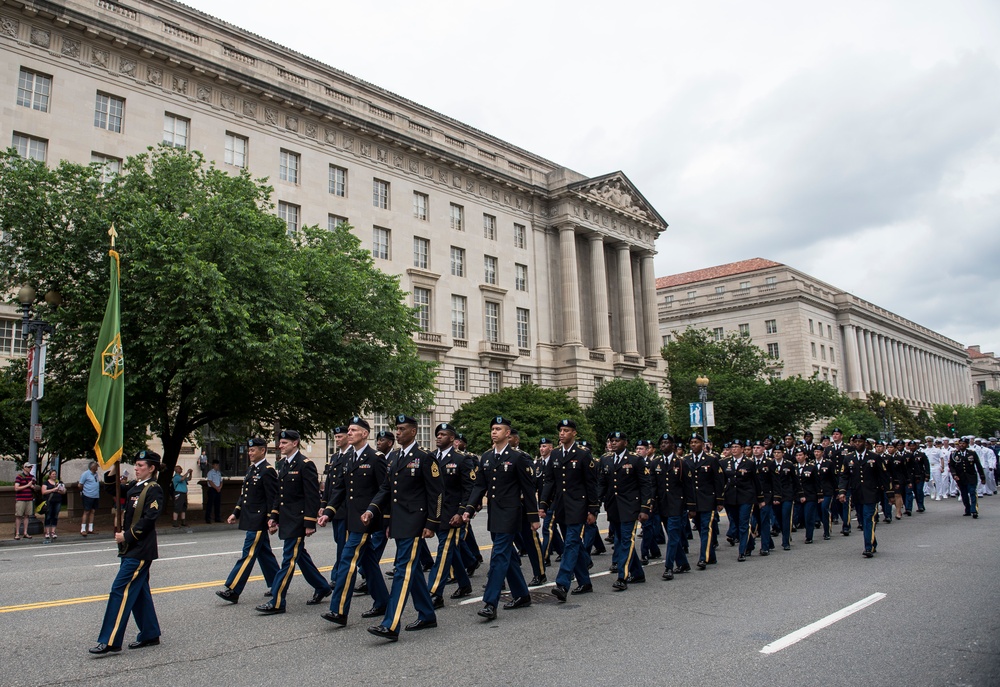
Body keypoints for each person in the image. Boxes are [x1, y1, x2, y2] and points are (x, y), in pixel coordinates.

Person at [364, 414, 444, 641]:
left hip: (416, 523)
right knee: (413, 570)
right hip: (400, 523)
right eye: (396, 429)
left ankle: (390, 624)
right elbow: (387, 490)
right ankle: (427, 614)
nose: (397, 433)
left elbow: (437, 494)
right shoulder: (395, 457)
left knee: (402, 570)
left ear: (413, 432)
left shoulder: (425, 458)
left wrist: (432, 523)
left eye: (401, 429)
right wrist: (374, 511)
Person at [317, 416, 390, 626]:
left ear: (364, 434)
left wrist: (383, 519)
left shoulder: (376, 458)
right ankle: (383, 601)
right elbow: (340, 489)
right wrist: (328, 512)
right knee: (368, 562)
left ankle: (338, 610)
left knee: (347, 562)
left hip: (366, 520)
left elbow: (385, 490)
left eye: (352, 430)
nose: (348, 433)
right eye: (348, 430)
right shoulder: (348, 458)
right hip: (350, 519)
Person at [89, 450, 164, 654]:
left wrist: (127, 537)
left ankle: (111, 640)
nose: (136, 469)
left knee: (119, 590)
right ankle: (150, 633)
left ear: (151, 468)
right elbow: (113, 490)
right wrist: (114, 466)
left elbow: (149, 519)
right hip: (130, 549)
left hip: (139, 549)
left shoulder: (154, 489)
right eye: (136, 465)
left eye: (140, 465)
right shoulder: (135, 486)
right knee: (139, 592)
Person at [467, 416, 540, 620]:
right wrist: (469, 508)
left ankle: (490, 602)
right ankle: (522, 594)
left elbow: (528, 487)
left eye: (498, 429)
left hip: (510, 513)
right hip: (494, 514)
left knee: (499, 555)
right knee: (508, 556)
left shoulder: (518, 457)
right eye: (492, 428)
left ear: (508, 433)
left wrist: (533, 517)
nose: (494, 432)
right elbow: (480, 485)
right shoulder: (487, 457)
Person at [255, 429, 331, 614]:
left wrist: (309, 523)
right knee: (300, 556)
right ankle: (322, 586)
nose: (280, 446)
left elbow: (312, 496)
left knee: (288, 559)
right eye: (280, 443)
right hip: (287, 519)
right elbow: (279, 495)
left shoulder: (305, 464)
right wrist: (273, 517)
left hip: (298, 520)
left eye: (284, 443)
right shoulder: (284, 464)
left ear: (295, 443)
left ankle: (277, 600)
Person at [539, 418, 599, 602]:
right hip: (561, 506)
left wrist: (593, 510)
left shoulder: (583, 454)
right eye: (561, 430)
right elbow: (550, 480)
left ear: (574, 433)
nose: (562, 433)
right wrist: (543, 504)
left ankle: (562, 583)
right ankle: (585, 581)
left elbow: (591, 484)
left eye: (566, 430)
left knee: (571, 543)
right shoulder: (555, 454)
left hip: (578, 506)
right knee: (574, 545)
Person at [216, 438, 280, 604]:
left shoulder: (267, 470)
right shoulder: (252, 469)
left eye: (253, 450)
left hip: (259, 520)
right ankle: (277, 584)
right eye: (249, 450)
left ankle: (233, 589)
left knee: (249, 554)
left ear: (263, 451)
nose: (249, 453)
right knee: (264, 554)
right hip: (250, 517)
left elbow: (273, 498)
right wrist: (235, 513)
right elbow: (245, 495)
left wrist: (271, 518)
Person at [427, 422, 475, 609]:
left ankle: (434, 592)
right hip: (435, 513)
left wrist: (462, 511)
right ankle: (464, 584)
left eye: (443, 434)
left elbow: (469, 488)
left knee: (444, 551)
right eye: (437, 434)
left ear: (452, 439)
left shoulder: (462, 459)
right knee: (451, 551)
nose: (439, 436)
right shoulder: (430, 458)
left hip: (452, 514)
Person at [599, 431, 652, 589]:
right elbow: (602, 484)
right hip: (613, 507)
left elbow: (645, 485)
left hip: (630, 507)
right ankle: (638, 573)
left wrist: (644, 508)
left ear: (625, 443)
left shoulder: (635, 460)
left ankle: (623, 576)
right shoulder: (606, 459)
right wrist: (595, 504)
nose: (613, 443)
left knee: (626, 541)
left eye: (617, 441)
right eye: (612, 441)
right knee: (622, 540)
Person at [650, 433, 695, 579]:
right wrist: (650, 503)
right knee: (672, 534)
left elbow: (689, 486)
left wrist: (691, 506)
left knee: (674, 536)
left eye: (666, 442)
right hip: (662, 504)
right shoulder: (656, 463)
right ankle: (683, 563)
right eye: (662, 443)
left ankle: (669, 567)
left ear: (673, 446)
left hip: (677, 504)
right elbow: (653, 486)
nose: (663, 445)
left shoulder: (681, 463)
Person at [838, 435, 889, 558]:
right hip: (857, 494)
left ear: (865, 443)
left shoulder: (874, 457)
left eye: (860, 441)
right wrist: (842, 491)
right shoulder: (849, 458)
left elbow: (883, 476)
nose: (857, 444)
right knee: (862, 518)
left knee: (868, 518)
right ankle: (872, 541)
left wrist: (889, 493)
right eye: (855, 442)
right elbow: (844, 476)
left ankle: (868, 547)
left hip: (871, 493)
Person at [688, 434, 724, 569]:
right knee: (699, 526)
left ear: (702, 444)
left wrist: (719, 500)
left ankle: (704, 557)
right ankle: (711, 555)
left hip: (708, 499)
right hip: (693, 501)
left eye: (696, 442)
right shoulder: (686, 460)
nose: (693, 445)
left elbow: (718, 480)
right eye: (691, 442)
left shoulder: (711, 460)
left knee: (706, 528)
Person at [949, 437, 986, 518]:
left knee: (972, 492)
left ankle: (974, 510)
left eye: (963, 444)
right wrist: (954, 475)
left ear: (967, 444)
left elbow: (978, 465)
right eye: (960, 443)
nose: (961, 445)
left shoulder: (972, 453)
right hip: (961, 478)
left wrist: (982, 477)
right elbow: (951, 466)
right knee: (964, 494)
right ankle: (967, 509)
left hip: (971, 476)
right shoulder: (954, 454)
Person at [13, 462, 36, 540]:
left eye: (31, 467)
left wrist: (33, 487)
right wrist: (27, 485)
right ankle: (17, 533)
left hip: (29, 498)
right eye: (28, 467)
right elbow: (16, 488)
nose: (30, 468)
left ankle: (25, 532)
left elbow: (34, 487)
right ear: (24, 467)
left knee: (27, 516)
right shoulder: (19, 477)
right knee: (19, 516)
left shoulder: (32, 477)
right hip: (20, 499)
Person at [41, 469, 65, 542]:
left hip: (57, 501)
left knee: (55, 516)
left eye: (55, 474)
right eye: (53, 474)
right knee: (48, 516)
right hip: (49, 502)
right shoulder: (46, 483)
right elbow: (43, 492)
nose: (54, 475)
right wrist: (53, 490)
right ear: (50, 475)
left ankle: (53, 531)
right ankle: (47, 532)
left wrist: (60, 490)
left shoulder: (59, 482)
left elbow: (64, 491)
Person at [79, 461, 101, 537]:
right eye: (96, 466)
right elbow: (80, 484)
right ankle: (83, 529)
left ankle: (90, 528)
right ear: (92, 467)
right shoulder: (85, 474)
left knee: (93, 511)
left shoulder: (96, 474)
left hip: (95, 495)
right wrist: (83, 491)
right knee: (86, 511)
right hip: (87, 495)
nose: (97, 467)